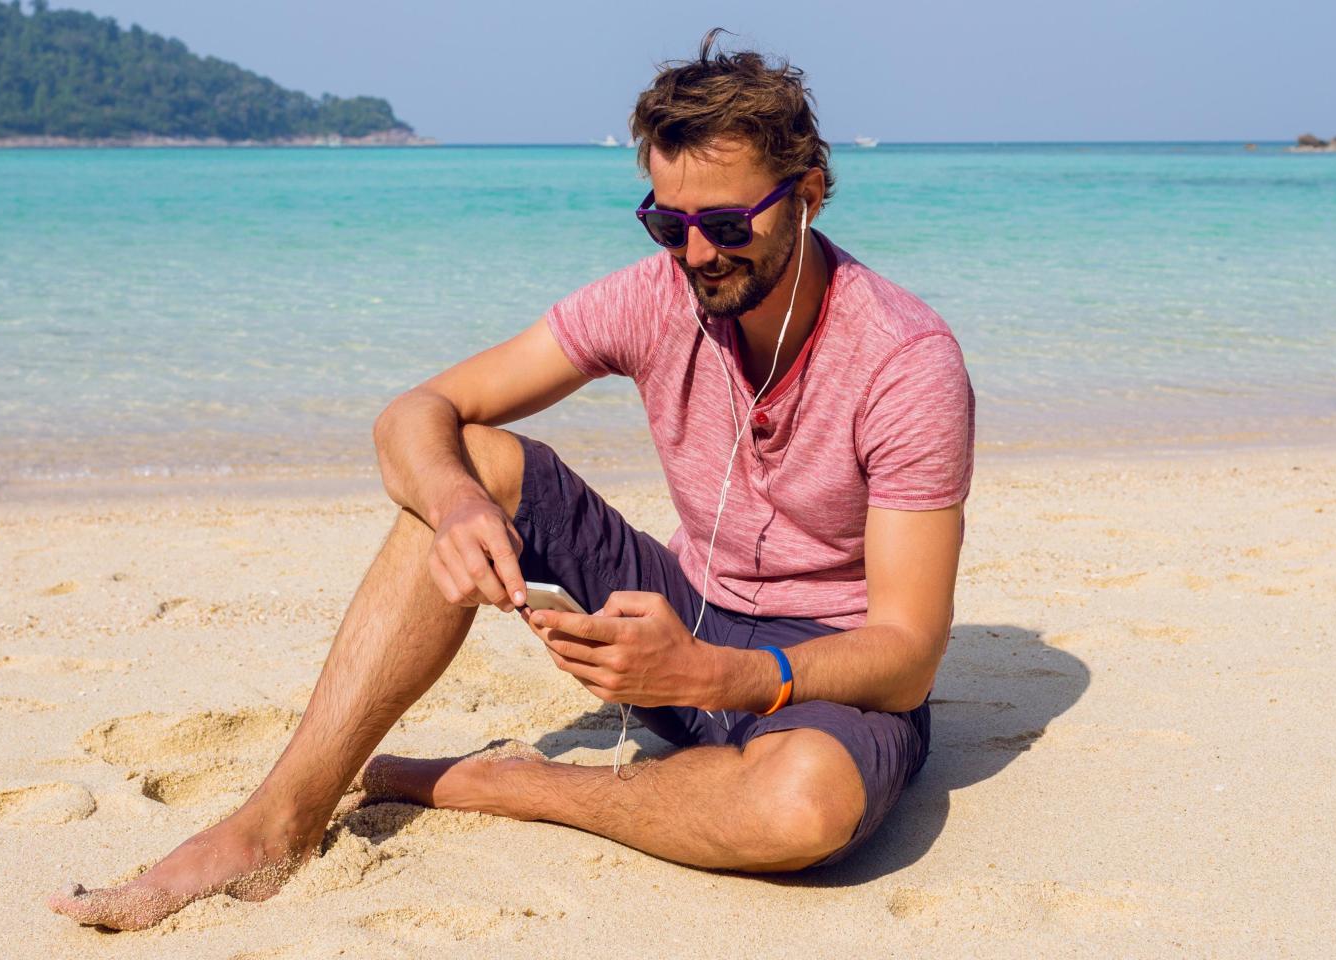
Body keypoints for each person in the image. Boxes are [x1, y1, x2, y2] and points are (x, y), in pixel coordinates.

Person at [49, 29, 974, 932]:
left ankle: (522, 785)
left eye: (728, 225)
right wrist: (453, 507)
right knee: (475, 459)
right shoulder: (657, 294)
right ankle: (277, 819)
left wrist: (721, 676)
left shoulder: (905, 362)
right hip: (681, 616)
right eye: (668, 223)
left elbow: (908, 652)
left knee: (801, 809)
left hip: (819, 675)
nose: (696, 256)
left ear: (807, 194)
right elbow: (414, 413)